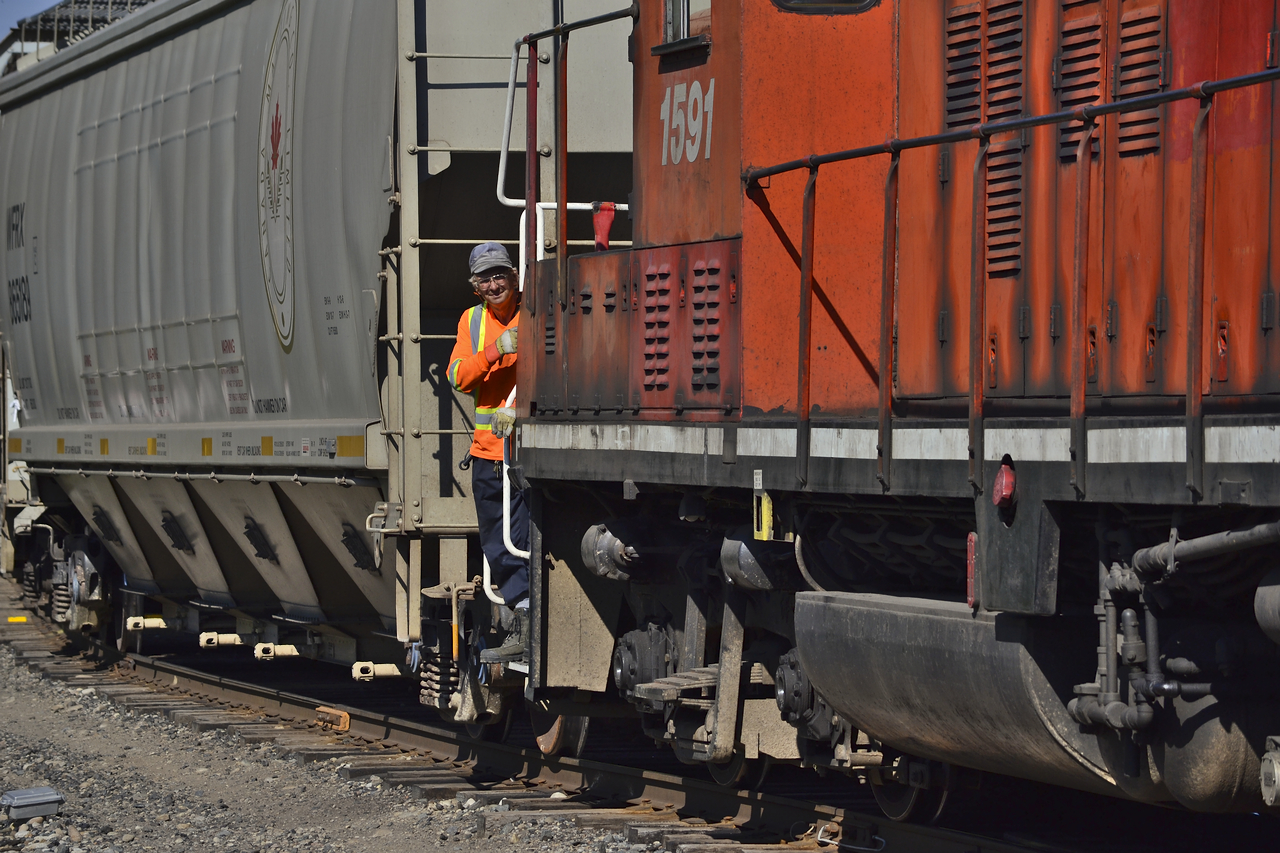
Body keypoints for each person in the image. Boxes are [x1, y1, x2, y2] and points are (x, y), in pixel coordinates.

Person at [447, 242, 529, 663]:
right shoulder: (472, 321)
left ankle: (530, 615)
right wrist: (498, 349)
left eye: (500, 275)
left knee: (522, 537)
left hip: (526, 451)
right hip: (489, 452)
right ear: (475, 286)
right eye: (486, 278)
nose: (495, 284)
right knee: (497, 541)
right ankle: (524, 614)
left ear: (514, 276)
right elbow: (458, 375)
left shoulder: (534, 310)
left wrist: (518, 409)